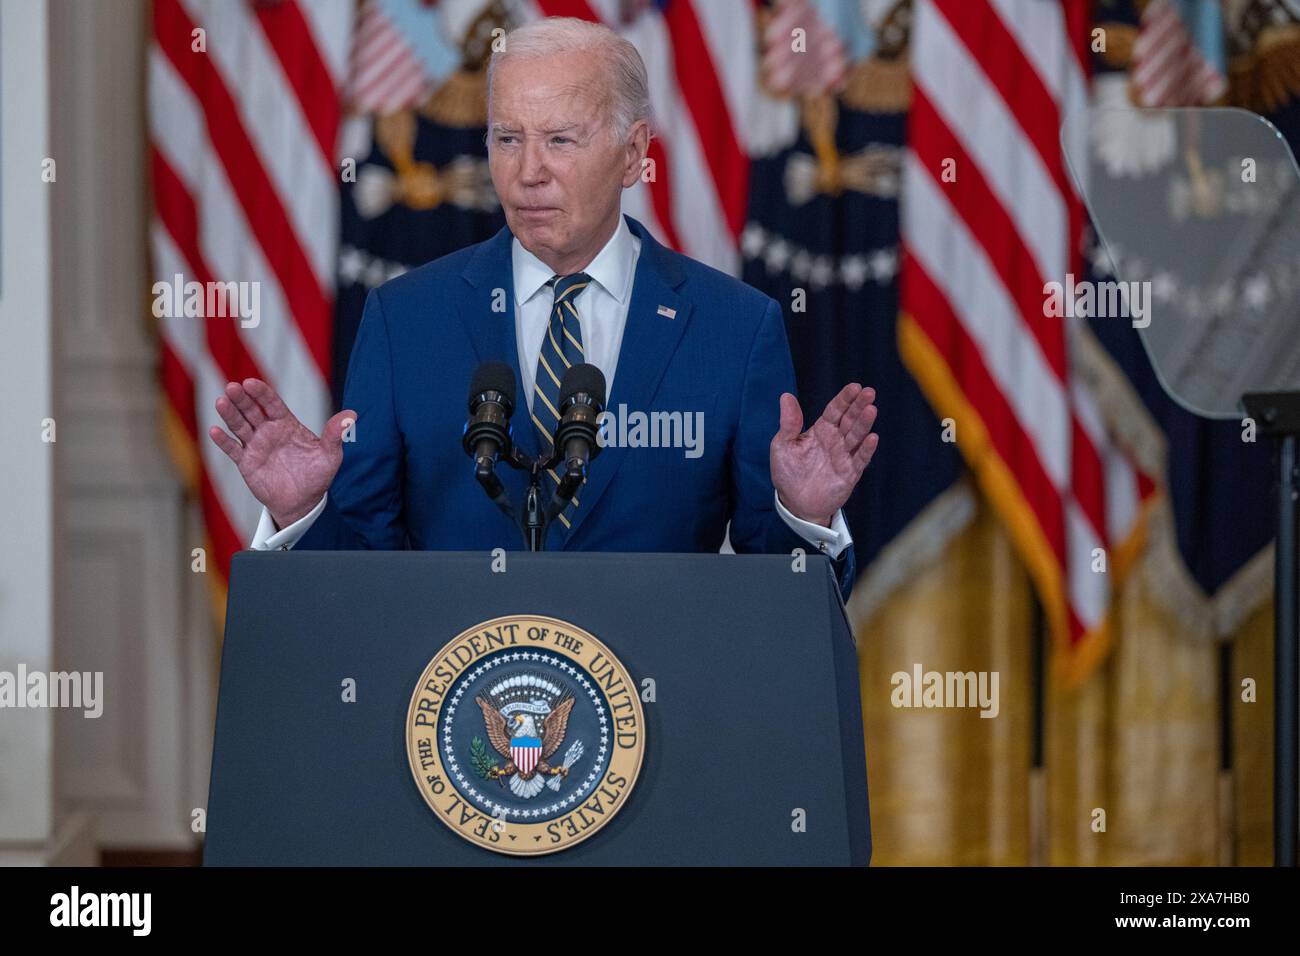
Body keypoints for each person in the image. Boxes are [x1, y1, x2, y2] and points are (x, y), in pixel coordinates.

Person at [208, 16, 879, 598]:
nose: (528, 171)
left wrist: (802, 516)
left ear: (633, 153)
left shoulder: (734, 328)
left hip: (659, 719)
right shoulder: (405, 320)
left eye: (560, 139)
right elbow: (359, 585)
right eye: (507, 138)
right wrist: (305, 511)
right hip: (450, 724)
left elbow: (775, 604)